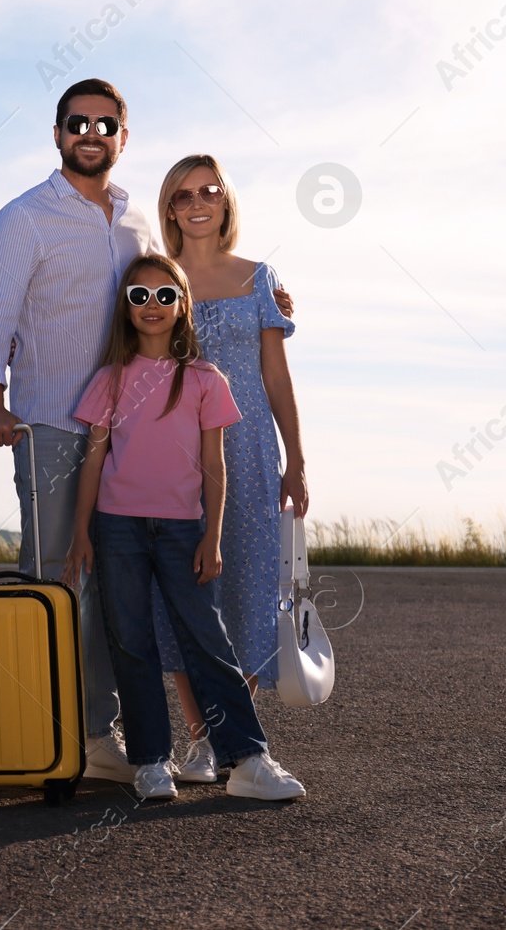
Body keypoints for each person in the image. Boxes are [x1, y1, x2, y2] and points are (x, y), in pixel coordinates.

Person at [63, 253, 305, 801]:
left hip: (183, 531)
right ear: (124, 309)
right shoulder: (110, 379)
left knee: (207, 639)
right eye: (139, 296)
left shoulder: (203, 379)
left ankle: (247, 759)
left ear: (183, 306)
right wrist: (82, 531)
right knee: (131, 641)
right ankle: (151, 763)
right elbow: (94, 462)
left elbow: (215, 469)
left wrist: (212, 535)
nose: (152, 306)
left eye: (165, 296)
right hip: (117, 529)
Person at [0, 78, 154, 783]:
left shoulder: (135, 222)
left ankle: (100, 730)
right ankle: (56, 735)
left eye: (106, 125)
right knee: (58, 579)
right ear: (57, 133)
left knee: (114, 580)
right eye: (79, 123)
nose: (91, 133)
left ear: (122, 138)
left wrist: (264, 288)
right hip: (48, 424)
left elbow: (168, 294)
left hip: (129, 434)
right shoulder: (24, 218)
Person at [147, 155, 309, 784]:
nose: (197, 202)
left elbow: (277, 376)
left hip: (248, 454)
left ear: (225, 202)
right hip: (175, 456)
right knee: (182, 595)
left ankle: (232, 737)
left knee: (244, 589)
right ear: (169, 208)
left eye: (209, 191)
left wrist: (296, 459)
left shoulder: (258, 277)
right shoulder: (159, 279)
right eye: (184, 194)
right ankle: (201, 742)